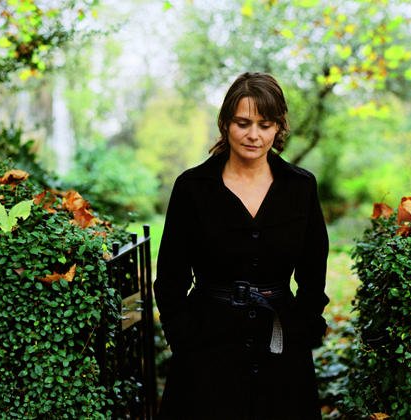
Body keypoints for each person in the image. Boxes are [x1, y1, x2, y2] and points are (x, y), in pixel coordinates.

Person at [154, 72, 329, 420]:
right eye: (243, 123)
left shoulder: (300, 187)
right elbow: (171, 277)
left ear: (278, 127)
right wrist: (183, 336)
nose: (254, 135)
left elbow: (313, 271)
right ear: (225, 124)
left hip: (282, 352)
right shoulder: (192, 188)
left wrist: (302, 329)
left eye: (265, 125)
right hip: (205, 351)